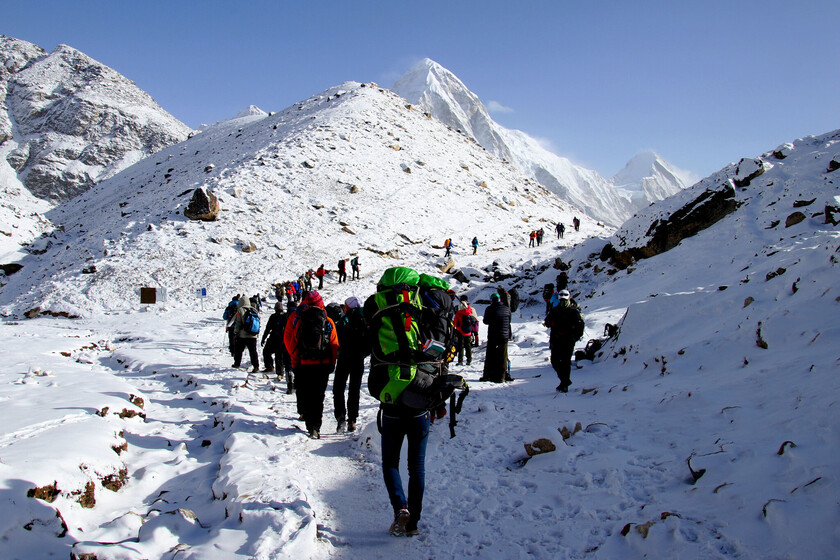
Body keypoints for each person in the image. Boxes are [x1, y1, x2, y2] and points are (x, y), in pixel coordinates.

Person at [284, 290, 338, 439]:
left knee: (305, 392)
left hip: (303, 362)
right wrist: (332, 362)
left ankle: (308, 421)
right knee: (318, 396)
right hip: (322, 363)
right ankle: (316, 426)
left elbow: (289, 339)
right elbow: (334, 343)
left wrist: (295, 359)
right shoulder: (327, 320)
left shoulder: (297, 317)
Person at [332, 296, 370, 432]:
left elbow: (336, 340)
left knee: (338, 388)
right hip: (358, 359)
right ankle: (352, 420)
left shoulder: (344, 320)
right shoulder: (365, 320)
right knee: (354, 389)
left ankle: (340, 417)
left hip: (344, 358)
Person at [544, 290, 585, 393]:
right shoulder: (555, 310)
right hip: (557, 340)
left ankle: (564, 384)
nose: (562, 300)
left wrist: (574, 337)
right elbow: (547, 322)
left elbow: (580, 326)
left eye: (564, 299)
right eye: (561, 299)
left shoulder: (573, 311)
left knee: (565, 362)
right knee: (555, 361)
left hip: (567, 340)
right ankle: (565, 381)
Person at [481, 292, 511, 382]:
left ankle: (488, 375)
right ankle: (502, 376)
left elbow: (486, 321)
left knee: (490, 355)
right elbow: (509, 320)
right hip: (505, 335)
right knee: (503, 355)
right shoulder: (507, 308)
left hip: (493, 335)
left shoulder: (490, 308)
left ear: (491, 300)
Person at [231, 296, 260, 372]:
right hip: (253, 334)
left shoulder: (240, 310)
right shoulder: (254, 309)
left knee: (239, 350)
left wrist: (236, 332)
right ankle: (256, 366)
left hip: (243, 335)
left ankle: (237, 364)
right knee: (253, 351)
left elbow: (238, 323)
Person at [261, 302, 288, 381]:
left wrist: (264, 338)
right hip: (282, 339)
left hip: (273, 338)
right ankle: (280, 373)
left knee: (266, 351)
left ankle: (269, 366)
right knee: (279, 356)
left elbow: (268, 328)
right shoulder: (285, 316)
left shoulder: (273, 316)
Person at [454, 298, 476, 365]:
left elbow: (455, 323)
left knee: (461, 346)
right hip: (468, 332)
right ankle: (469, 360)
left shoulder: (458, 313)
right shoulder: (469, 312)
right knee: (468, 346)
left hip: (460, 332)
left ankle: (460, 361)